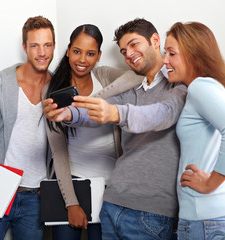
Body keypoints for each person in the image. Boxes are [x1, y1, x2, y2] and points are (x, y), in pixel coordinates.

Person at [43, 18, 187, 240]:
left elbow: (162, 114)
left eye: (134, 44)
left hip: (149, 210)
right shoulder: (131, 90)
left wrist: (115, 113)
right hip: (113, 203)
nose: (128, 54)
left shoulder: (178, 87)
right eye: (123, 50)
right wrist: (69, 114)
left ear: (155, 40)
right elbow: (99, 112)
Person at [43, 24, 143, 240]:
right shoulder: (54, 89)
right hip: (71, 183)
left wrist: (95, 99)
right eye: (77, 51)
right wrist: (71, 203)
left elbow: (138, 76)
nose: (82, 60)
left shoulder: (104, 76)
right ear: (68, 50)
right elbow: (58, 152)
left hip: (110, 186)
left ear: (98, 56)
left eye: (90, 54)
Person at [0, 16, 55, 240]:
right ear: (25, 47)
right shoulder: (0, 82)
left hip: (36, 196)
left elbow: (63, 143)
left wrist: (52, 181)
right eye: (35, 45)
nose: (42, 52)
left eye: (47, 45)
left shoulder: (57, 87)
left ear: (54, 46)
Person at [163, 21, 225, 240]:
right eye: (164, 52)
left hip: (210, 220)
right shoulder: (219, 87)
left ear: (193, 55)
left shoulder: (200, 87)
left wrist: (210, 183)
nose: (164, 60)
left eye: (171, 53)